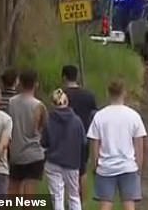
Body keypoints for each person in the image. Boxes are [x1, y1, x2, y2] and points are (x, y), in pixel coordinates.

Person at [88, 80, 147, 210]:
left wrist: (95, 165)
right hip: (128, 166)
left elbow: (95, 144)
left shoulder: (99, 116)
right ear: (124, 93)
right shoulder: (133, 116)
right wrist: (139, 167)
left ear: (108, 93)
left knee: (105, 204)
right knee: (129, 204)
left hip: (105, 167)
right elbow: (139, 145)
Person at [42, 89, 85, 210]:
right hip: (72, 162)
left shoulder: (49, 120)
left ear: (53, 103)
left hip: (53, 162)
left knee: (57, 196)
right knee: (74, 196)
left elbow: (44, 142)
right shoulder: (77, 121)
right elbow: (83, 142)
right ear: (67, 102)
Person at [8, 69, 47, 195]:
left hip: (15, 152)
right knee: (29, 191)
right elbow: (41, 127)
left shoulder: (11, 102)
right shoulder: (38, 105)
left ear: (20, 83)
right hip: (33, 153)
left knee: (13, 188)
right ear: (36, 84)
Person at [62, 64, 98, 199]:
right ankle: (81, 202)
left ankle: (68, 201)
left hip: (63, 139)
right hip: (83, 138)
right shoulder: (88, 95)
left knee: (64, 172)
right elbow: (94, 115)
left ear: (64, 77)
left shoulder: (61, 95)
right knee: (82, 171)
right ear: (76, 77)